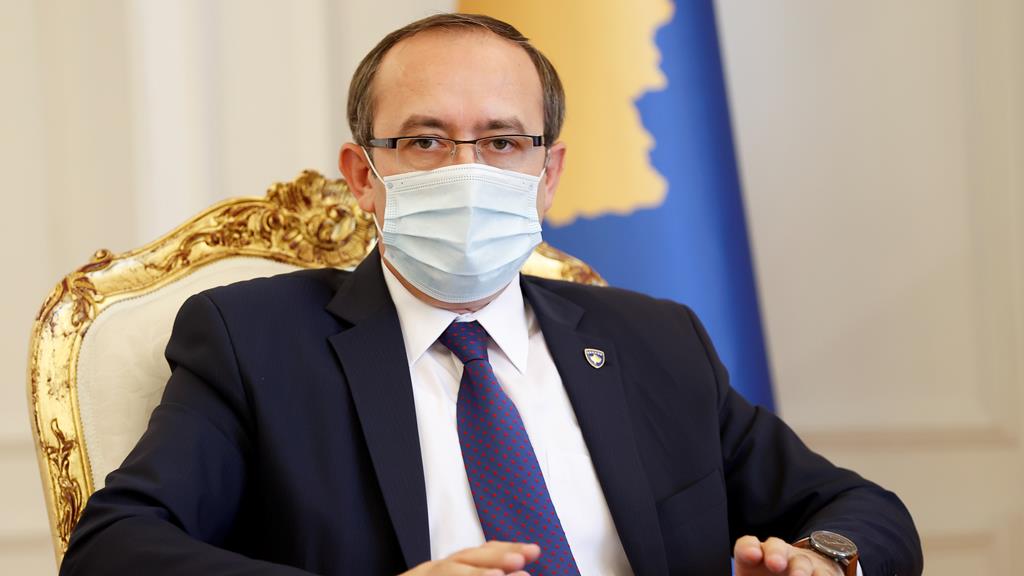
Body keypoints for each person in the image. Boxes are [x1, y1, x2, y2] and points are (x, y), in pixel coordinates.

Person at [60, 13, 922, 576]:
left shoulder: (654, 340)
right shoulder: (253, 341)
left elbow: (862, 512)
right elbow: (114, 548)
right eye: (426, 140)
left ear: (549, 174)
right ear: (363, 176)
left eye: (504, 142)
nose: (468, 169)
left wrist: (825, 560)